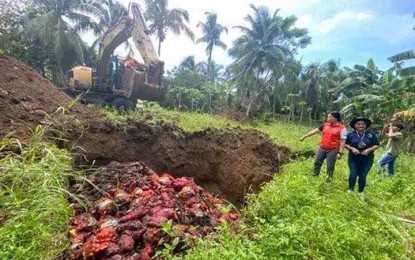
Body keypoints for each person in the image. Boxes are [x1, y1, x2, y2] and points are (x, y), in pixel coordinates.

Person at [300, 111, 347, 182]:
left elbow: (343, 141)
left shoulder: (342, 128)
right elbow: (315, 131)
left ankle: (329, 179)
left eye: (329, 117)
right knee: (317, 162)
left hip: (333, 150)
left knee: (330, 166)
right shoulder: (325, 125)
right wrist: (305, 136)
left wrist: (340, 153)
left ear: (335, 118)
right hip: (322, 148)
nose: (328, 118)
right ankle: (315, 176)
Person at [345, 117, 379, 194]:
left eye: (363, 124)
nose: (361, 125)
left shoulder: (371, 134)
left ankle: (361, 192)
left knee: (363, 175)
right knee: (353, 173)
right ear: (354, 125)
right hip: (353, 158)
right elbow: (345, 144)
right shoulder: (350, 134)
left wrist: (368, 150)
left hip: (367, 158)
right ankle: (350, 189)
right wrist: (352, 148)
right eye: (358, 124)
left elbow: (376, 145)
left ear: (366, 125)